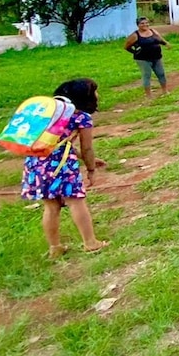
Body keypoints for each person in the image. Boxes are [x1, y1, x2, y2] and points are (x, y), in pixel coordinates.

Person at [20, 78, 108, 258]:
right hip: (62, 166)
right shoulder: (81, 117)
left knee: (51, 207)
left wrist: (87, 159)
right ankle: (90, 242)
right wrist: (91, 169)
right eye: (95, 92)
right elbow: (87, 147)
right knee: (76, 201)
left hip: (35, 163)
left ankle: (55, 247)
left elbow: (59, 144)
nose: (98, 95)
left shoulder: (49, 113)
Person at [124, 16, 169, 97]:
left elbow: (160, 39)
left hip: (157, 57)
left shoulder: (153, 31)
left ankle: (165, 91)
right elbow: (126, 47)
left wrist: (166, 44)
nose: (145, 25)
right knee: (147, 75)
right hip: (143, 59)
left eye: (146, 23)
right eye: (142, 23)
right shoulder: (135, 35)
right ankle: (148, 95)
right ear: (138, 25)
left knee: (161, 73)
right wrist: (135, 52)